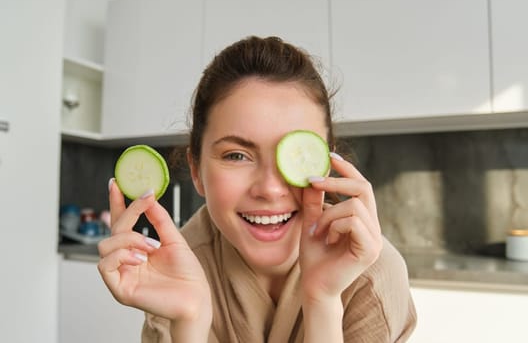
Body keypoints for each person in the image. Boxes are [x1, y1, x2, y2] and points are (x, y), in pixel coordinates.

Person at [97, 36, 417, 342]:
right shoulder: (172, 270)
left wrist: (323, 302)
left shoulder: (371, 275)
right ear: (196, 170)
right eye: (237, 155)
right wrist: (189, 322)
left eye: (295, 156)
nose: (270, 188)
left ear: (325, 161)